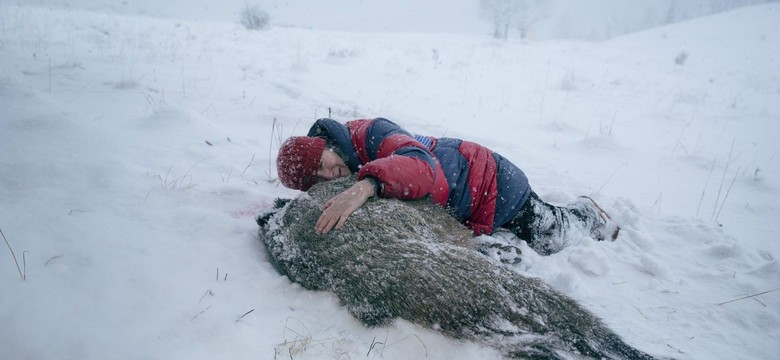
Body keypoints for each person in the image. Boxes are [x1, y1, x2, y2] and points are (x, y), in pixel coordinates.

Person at [275, 117, 619, 256]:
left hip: (490, 182)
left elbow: (422, 168)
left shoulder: (372, 132)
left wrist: (366, 186)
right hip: (465, 203)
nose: (329, 175)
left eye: (322, 164)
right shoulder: (348, 159)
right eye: (317, 179)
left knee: (552, 236)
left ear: (324, 144)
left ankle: (586, 214)